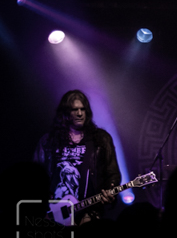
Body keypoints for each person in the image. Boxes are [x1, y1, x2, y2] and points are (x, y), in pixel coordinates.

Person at [34, 90, 121, 225]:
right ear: (65, 113)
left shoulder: (100, 139)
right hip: (55, 213)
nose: (80, 113)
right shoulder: (48, 141)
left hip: (89, 211)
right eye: (75, 110)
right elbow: (35, 176)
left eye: (83, 109)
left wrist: (110, 191)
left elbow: (112, 173)